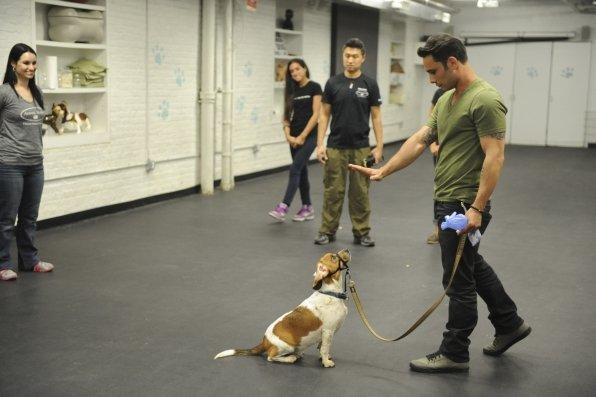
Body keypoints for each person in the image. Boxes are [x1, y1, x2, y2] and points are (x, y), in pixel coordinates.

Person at [349, 34, 530, 373]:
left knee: (457, 280)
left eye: (433, 72)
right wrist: (384, 170)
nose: (431, 79)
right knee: (472, 265)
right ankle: (509, 323)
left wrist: (476, 208)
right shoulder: (448, 99)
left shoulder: (485, 100)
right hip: (447, 199)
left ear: (452, 62)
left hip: (463, 204)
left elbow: (496, 157)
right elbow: (421, 139)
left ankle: (455, 351)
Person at [314, 38, 383, 247]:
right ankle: (327, 231)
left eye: (354, 56)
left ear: (362, 58)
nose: (350, 60)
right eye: (347, 56)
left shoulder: (370, 84)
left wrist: (379, 146)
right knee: (332, 191)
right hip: (335, 147)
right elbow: (324, 115)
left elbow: (377, 117)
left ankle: (362, 233)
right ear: (343, 56)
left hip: (361, 147)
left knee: (360, 193)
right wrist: (320, 144)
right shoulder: (333, 83)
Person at [0, 43, 54, 281]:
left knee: (30, 217)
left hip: (35, 164)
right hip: (10, 163)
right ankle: (3, 264)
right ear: (13, 64)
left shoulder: (38, 92)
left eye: (33, 63)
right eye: (25, 63)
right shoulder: (4, 93)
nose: (31, 67)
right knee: (6, 218)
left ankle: (30, 260)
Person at [268, 59, 321, 222]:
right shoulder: (291, 90)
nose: (295, 73)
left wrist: (303, 136)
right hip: (294, 137)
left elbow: (316, 114)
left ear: (305, 68)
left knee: (295, 169)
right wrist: (288, 135)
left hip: (310, 136)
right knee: (302, 171)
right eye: (292, 71)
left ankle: (283, 206)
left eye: (298, 69)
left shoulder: (314, 87)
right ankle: (307, 207)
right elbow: (286, 117)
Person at [426, 88, 445, 244]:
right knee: (440, 188)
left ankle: (459, 229)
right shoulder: (440, 92)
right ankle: (438, 230)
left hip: (460, 150)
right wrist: (432, 143)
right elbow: (431, 118)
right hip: (440, 150)